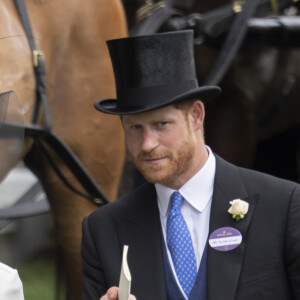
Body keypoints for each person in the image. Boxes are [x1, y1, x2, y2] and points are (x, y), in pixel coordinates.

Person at [81, 30, 300, 300]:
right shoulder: (103, 230)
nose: (147, 143)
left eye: (161, 124)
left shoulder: (284, 206)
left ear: (196, 116)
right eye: (135, 127)